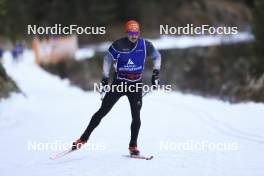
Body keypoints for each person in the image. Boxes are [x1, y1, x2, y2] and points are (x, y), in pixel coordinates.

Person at [72, 20, 161, 156]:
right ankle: (82, 139)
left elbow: (157, 57)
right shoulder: (119, 44)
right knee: (102, 111)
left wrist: (155, 74)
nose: (134, 35)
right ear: (127, 32)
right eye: (131, 33)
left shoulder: (145, 45)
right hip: (119, 84)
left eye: (136, 32)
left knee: (136, 117)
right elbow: (107, 59)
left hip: (135, 85)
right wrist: (105, 77)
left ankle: (133, 146)